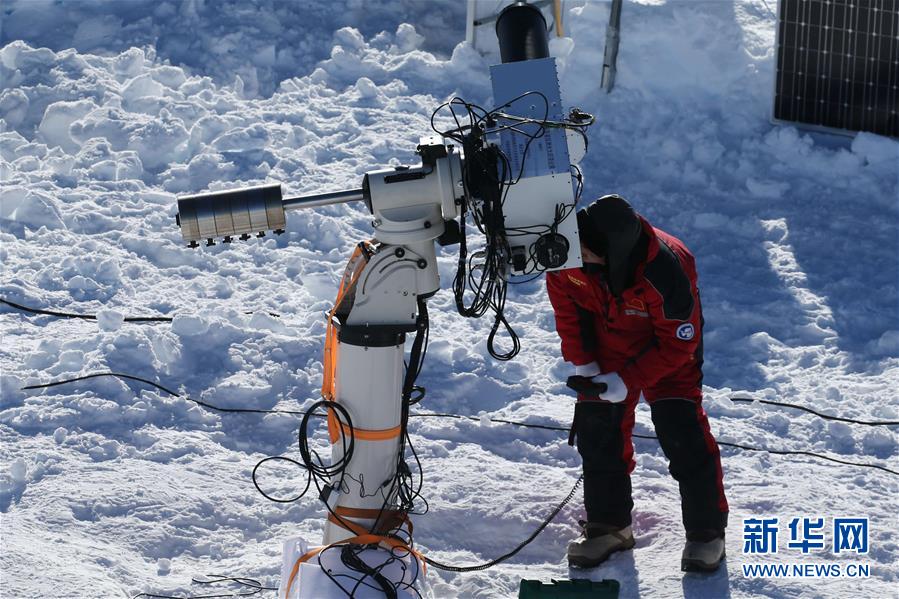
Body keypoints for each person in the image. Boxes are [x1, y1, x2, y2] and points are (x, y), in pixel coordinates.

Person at [545, 194, 728, 572]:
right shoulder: (569, 253)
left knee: (682, 429)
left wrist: (630, 380)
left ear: (616, 254)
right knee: (598, 433)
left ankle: (707, 534)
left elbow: (680, 341)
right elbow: (567, 306)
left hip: (666, 349)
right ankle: (609, 526)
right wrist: (586, 363)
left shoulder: (666, 271)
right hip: (607, 342)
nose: (581, 260)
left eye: (591, 256)